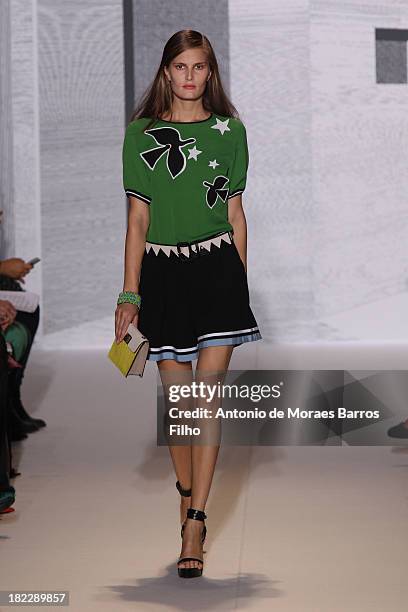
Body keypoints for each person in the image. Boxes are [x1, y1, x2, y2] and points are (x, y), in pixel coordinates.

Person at [114, 30, 262, 578]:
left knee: (206, 401)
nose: (190, 77)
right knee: (179, 405)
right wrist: (129, 294)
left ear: (210, 73)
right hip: (164, 274)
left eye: (199, 67)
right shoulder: (141, 135)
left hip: (218, 269)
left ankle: (196, 518)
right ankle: (185, 489)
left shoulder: (231, 132)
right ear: (166, 73)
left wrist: (239, 284)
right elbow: (136, 219)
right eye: (180, 67)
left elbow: (236, 211)